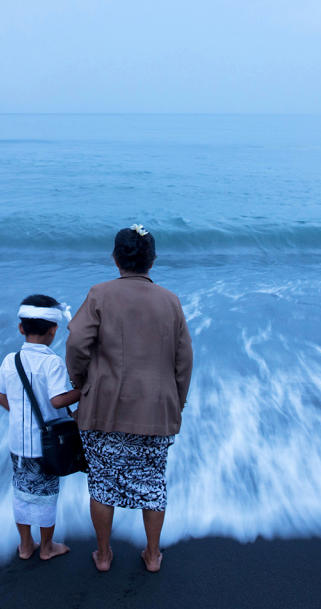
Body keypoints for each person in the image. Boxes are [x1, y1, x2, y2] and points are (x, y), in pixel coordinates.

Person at [66, 225, 193, 573]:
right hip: (156, 409)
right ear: (151, 260)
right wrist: (176, 403)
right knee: (152, 483)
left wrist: (81, 384)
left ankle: (104, 556)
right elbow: (184, 360)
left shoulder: (99, 294)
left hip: (104, 407)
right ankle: (152, 556)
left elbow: (77, 343)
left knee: (103, 483)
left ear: (115, 258)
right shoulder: (170, 300)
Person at [0, 294, 81, 561]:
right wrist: (83, 390)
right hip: (46, 446)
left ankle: (24, 545)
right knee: (46, 496)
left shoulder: (11, 360)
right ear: (54, 330)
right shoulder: (52, 362)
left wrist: (22, 414)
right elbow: (57, 399)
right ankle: (46, 547)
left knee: (21, 493)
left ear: (21, 328)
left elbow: (0, 396)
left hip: (18, 444)